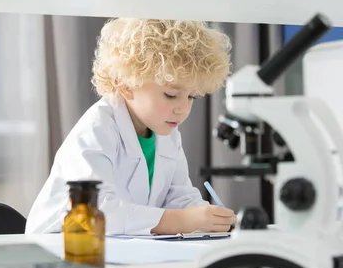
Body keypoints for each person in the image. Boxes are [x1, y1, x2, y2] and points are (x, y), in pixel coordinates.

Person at [25, 18, 236, 235]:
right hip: (58, 246)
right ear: (126, 85)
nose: (182, 109)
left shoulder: (167, 133)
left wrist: (208, 216)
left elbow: (178, 196)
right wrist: (181, 220)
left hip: (117, 248)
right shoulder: (97, 129)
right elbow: (95, 210)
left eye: (192, 96)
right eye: (170, 95)